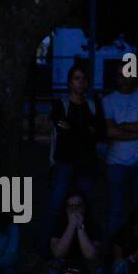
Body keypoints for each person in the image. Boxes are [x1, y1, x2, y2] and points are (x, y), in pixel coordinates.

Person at [101, 60, 138, 235]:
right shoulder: (108, 100)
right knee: (116, 210)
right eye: (121, 75)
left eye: (128, 74)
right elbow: (110, 131)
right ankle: (114, 252)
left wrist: (124, 125)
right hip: (116, 161)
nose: (124, 79)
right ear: (116, 77)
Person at [48, 61, 104, 218]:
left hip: (86, 163)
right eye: (77, 78)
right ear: (69, 82)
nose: (81, 82)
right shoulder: (61, 104)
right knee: (56, 206)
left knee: (85, 206)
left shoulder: (92, 105)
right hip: (65, 162)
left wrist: (74, 128)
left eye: (84, 78)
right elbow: (61, 127)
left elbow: (100, 133)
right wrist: (86, 130)